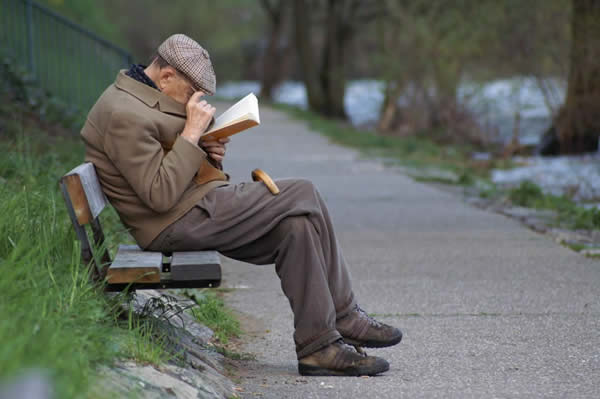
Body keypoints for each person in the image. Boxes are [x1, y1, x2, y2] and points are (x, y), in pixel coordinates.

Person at [81, 34, 402, 376]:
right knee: (302, 192)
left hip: (192, 208)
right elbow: (159, 194)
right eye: (192, 93)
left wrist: (208, 154)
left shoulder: (141, 98)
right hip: (174, 223)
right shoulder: (123, 112)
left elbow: (164, 166)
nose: (195, 101)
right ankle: (346, 315)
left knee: (297, 227)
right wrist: (191, 134)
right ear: (167, 75)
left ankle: (318, 348)